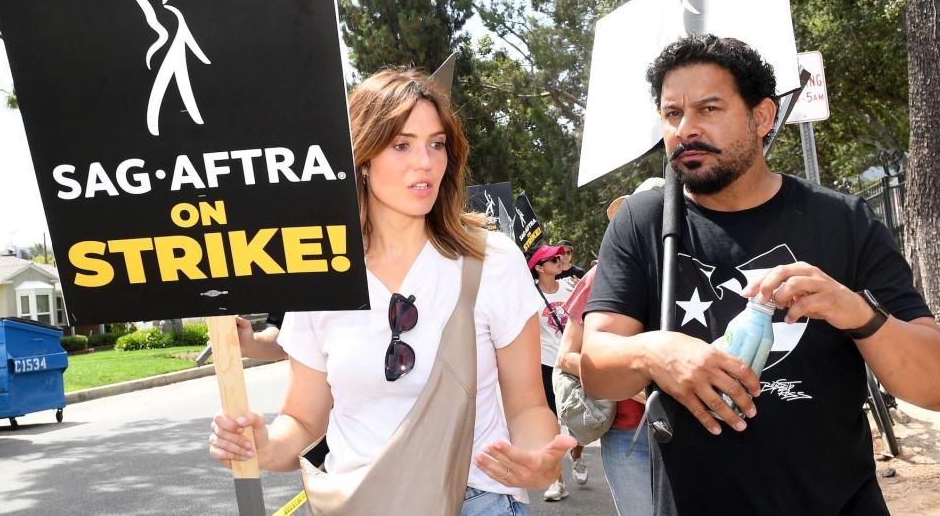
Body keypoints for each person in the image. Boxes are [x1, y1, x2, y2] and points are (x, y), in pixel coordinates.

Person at [580, 34, 940, 515]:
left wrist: (858, 313)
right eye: (673, 114)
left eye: (708, 109)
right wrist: (654, 351)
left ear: (762, 117)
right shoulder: (642, 222)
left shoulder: (845, 221)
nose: (686, 129)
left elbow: (937, 387)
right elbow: (596, 368)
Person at [209, 67, 575, 514]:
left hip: (475, 500)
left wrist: (539, 461)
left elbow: (526, 406)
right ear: (361, 159)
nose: (426, 161)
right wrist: (262, 445)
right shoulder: (320, 273)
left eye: (436, 144)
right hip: (359, 501)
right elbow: (303, 420)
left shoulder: (492, 261)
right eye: (402, 145)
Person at [556, 194, 652, 516]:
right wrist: (629, 379)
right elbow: (566, 357)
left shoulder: (688, 272)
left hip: (691, 433)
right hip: (628, 437)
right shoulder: (599, 279)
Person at [527, 243, 586, 501]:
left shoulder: (570, 287)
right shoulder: (529, 294)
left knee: (582, 419)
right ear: (539, 268)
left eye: (559, 256)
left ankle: (578, 454)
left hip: (573, 362)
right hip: (546, 366)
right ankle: (557, 481)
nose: (559, 259)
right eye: (552, 259)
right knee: (551, 423)